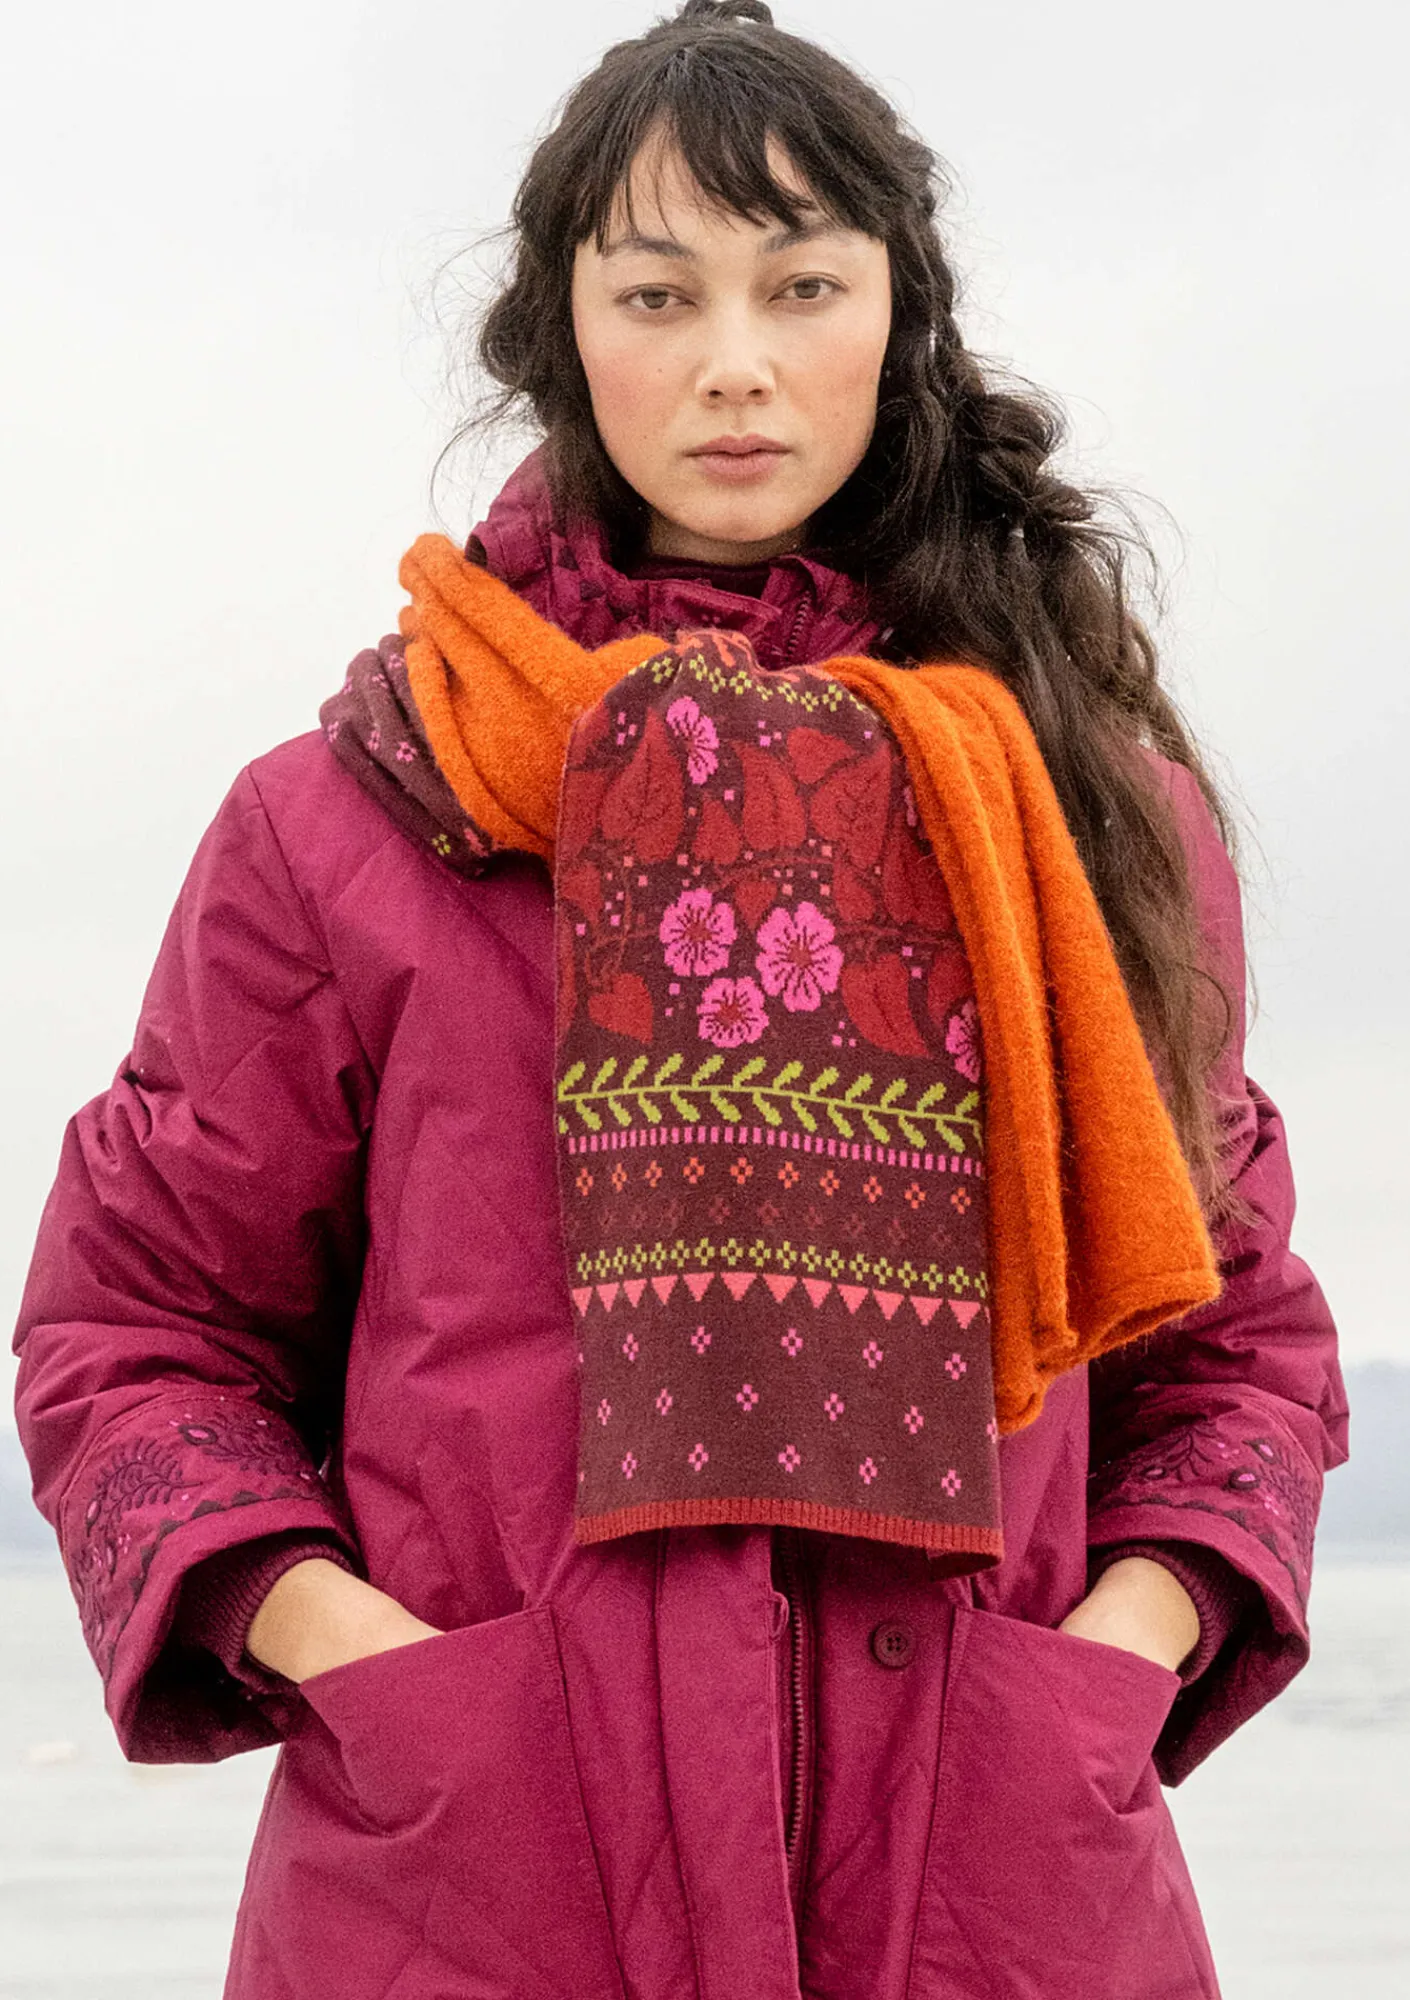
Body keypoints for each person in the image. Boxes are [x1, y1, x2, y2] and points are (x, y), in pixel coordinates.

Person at [12, 5, 1346, 1997]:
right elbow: (134, 1329)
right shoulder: (345, 824)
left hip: (985, 1893)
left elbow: (1232, 1339)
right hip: (481, 1900)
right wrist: (367, 1667)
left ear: (896, 317)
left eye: (801, 285)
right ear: (561, 334)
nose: (735, 360)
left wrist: (1120, 1649)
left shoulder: (1085, 819)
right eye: (659, 293)